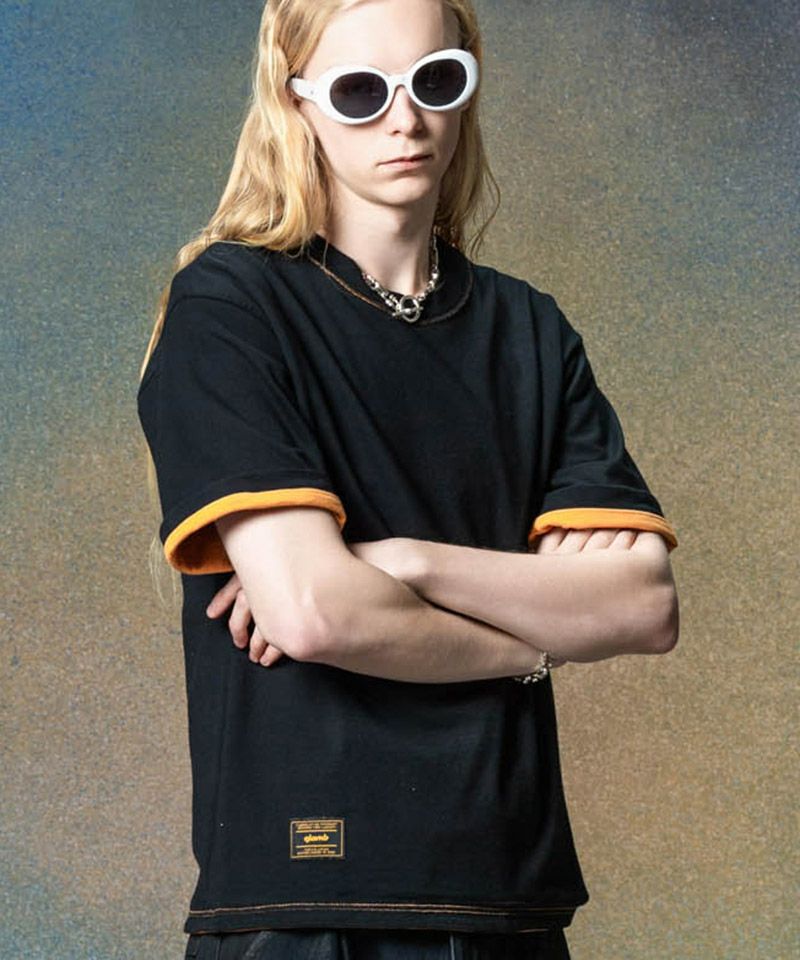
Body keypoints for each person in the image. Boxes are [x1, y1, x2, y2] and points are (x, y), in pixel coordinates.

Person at [136, 0, 680, 957]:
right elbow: (315, 613)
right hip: (310, 905)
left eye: (436, 81)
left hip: (508, 894)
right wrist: (534, 643)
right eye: (361, 91)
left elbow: (642, 606)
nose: (406, 118)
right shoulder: (230, 303)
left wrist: (405, 562)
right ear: (296, 104)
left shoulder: (532, 330)